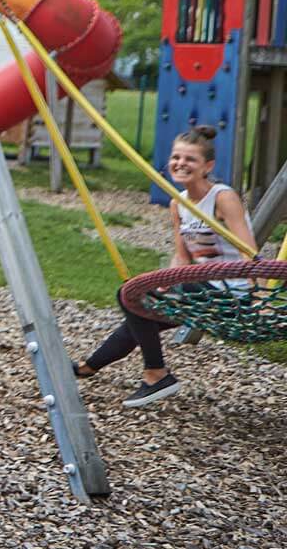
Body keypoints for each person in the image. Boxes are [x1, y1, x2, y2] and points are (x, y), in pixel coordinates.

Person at [76, 126, 257, 407]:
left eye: (190, 159)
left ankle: (156, 374)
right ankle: (89, 367)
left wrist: (257, 296)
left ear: (207, 166)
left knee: (131, 294)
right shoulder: (178, 203)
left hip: (229, 295)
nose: (180, 164)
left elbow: (249, 251)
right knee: (139, 314)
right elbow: (182, 258)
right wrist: (164, 284)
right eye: (176, 157)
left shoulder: (223, 197)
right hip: (200, 292)